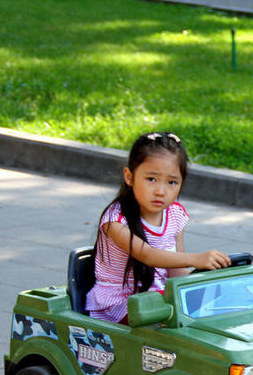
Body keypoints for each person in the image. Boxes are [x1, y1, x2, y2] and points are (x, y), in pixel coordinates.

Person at [85, 132, 231, 323]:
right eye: (151, 179)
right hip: (117, 305)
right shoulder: (115, 220)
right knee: (171, 321)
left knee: (217, 306)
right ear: (129, 176)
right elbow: (148, 255)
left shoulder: (175, 215)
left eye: (172, 182)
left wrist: (206, 280)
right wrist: (197, 259)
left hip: (155, 301)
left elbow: (176, 271)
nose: (161, 191)